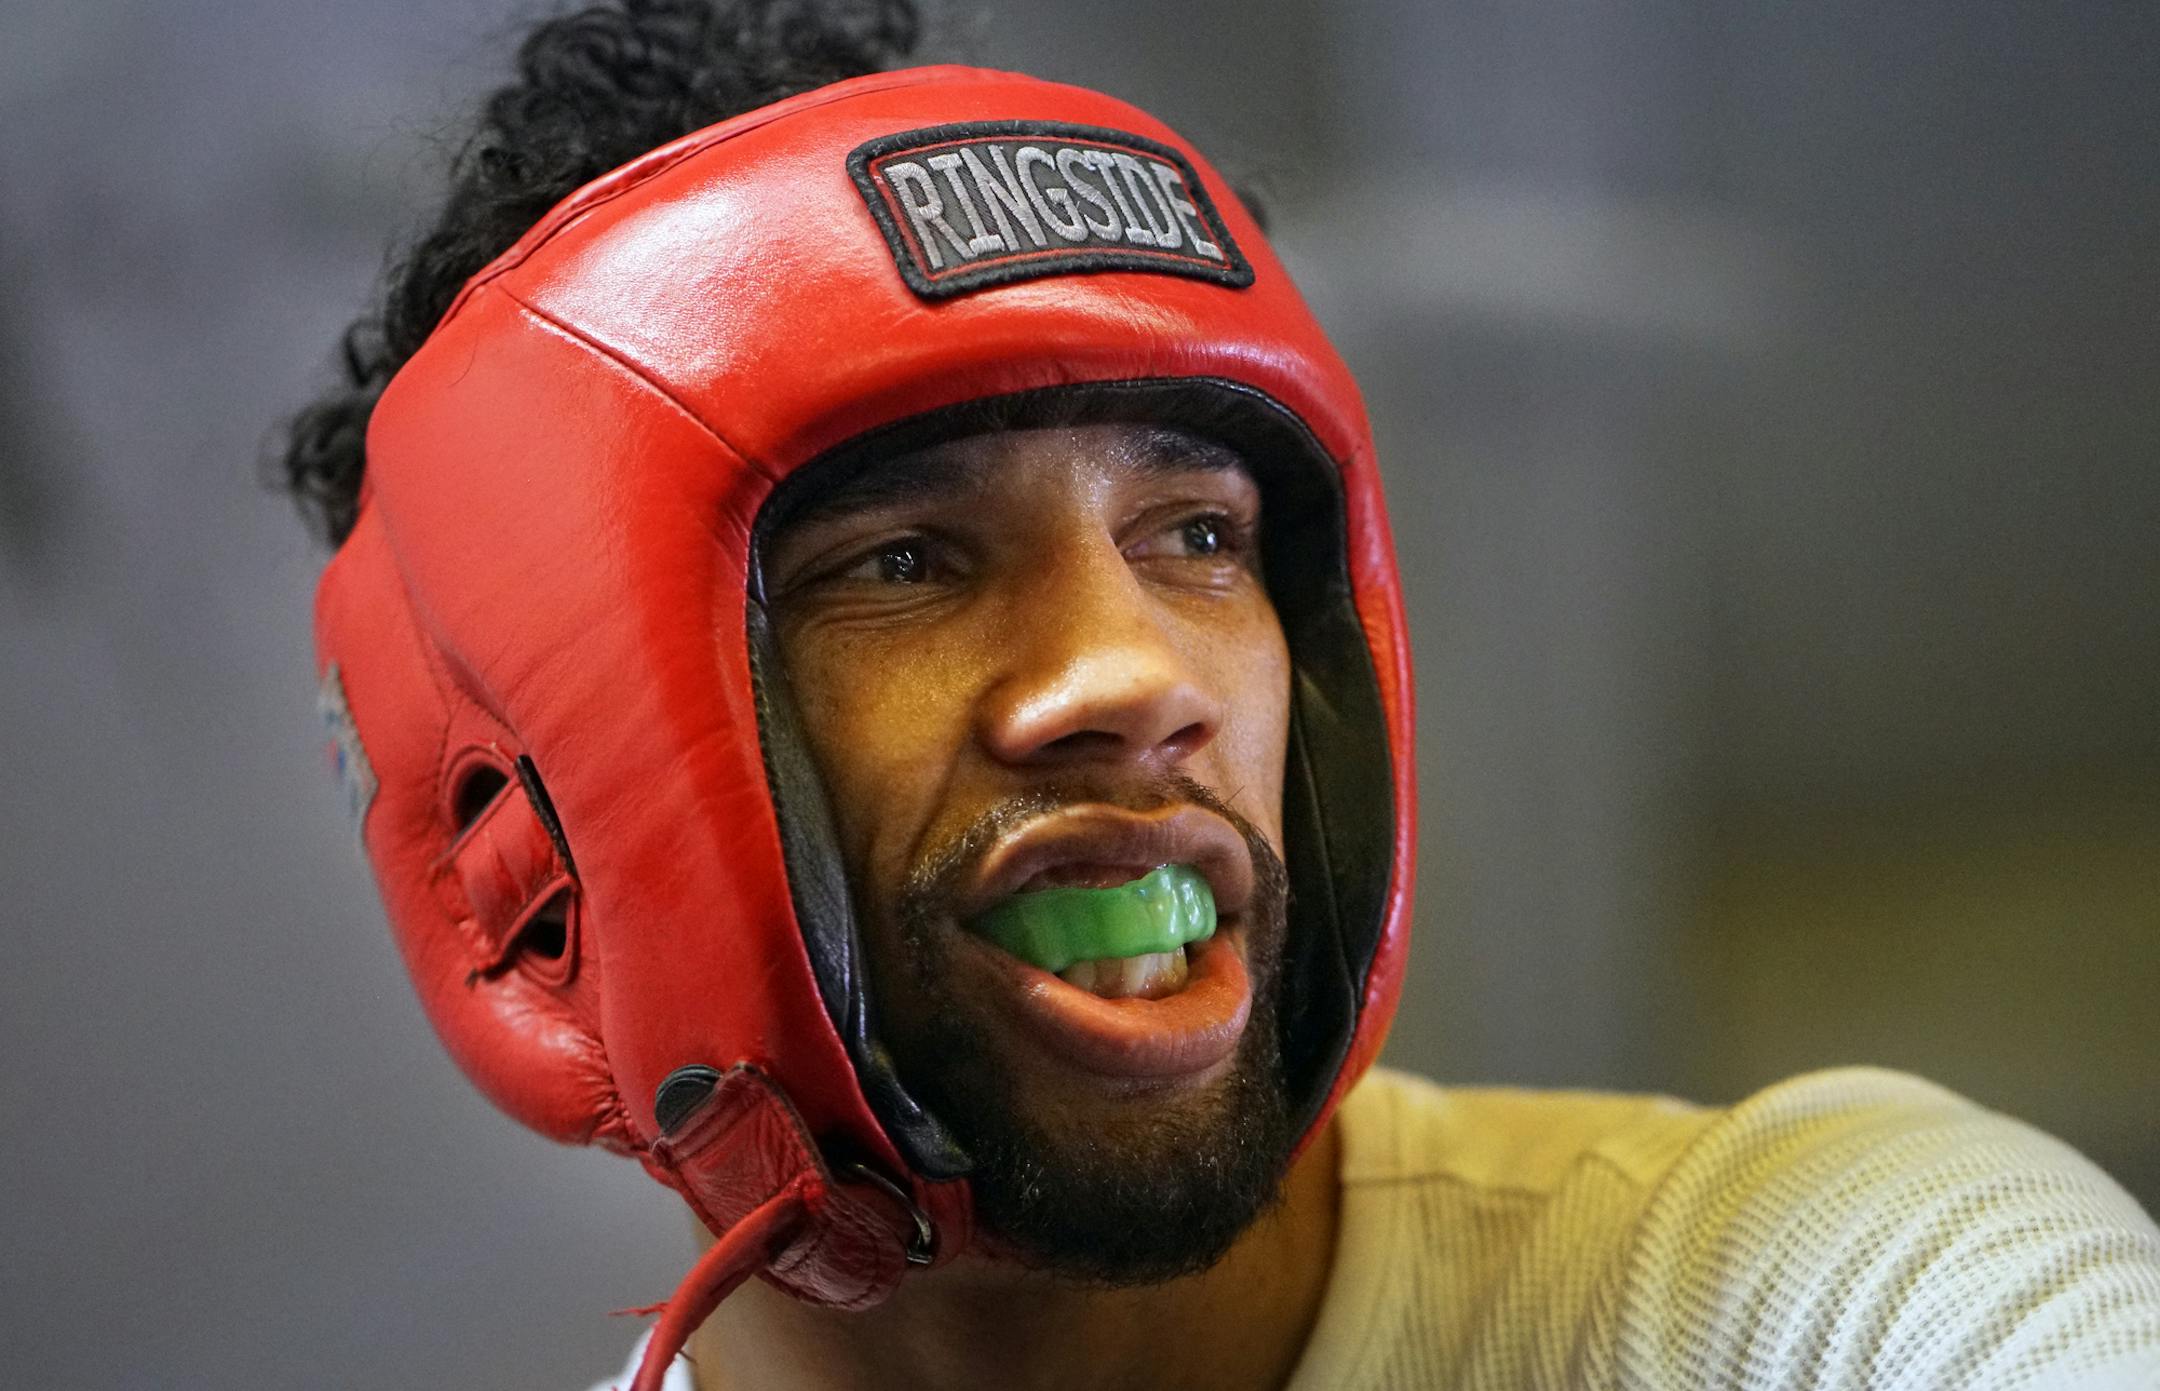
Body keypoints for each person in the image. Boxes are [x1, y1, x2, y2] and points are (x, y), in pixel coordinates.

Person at [281, 2, 2160, 1388]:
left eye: (1194, 535)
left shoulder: (1837, 1297)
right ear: (522, 839)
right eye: (903, 563)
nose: (1140, 677)